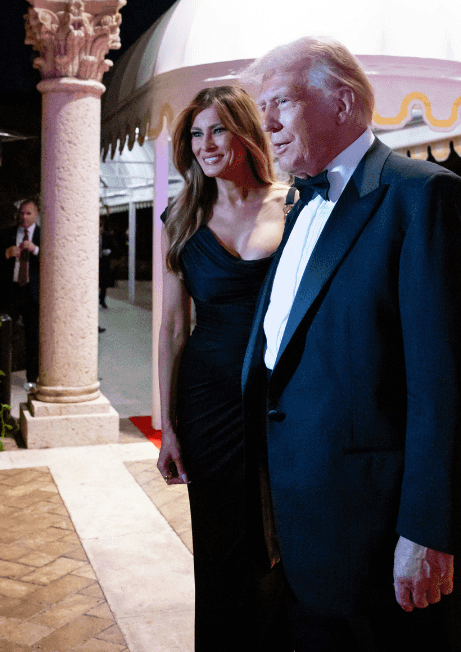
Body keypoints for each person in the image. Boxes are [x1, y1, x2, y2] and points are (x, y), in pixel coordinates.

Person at [239, 37, 461, 650]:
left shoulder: (424, 196)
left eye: (280, 103)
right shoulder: (300, 205)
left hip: (385, 539)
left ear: (342, 101)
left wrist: (429, 532)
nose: (266, 124)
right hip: (304, 529)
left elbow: (447, 385)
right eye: (261, 108)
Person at [152, 85, 289, 650]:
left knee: (281, 537)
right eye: (195, 133)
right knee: (219, 545)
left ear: (245, 133)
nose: (205, 144)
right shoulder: (181, 215)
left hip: (280, 396)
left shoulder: (296, 203)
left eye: (217, 130)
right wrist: (168, 428)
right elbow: (171, 330)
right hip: (207, 401)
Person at [0, 198, 42, 375]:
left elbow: (52, 261)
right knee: (4, 336)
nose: (24, 217)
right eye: (22, 212)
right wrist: (6, 253)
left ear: (36, 215)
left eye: (29, 213)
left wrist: (35, 249)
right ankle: (2, 378)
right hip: (10, 291)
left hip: (32, 292)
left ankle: (31, 379)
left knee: (33, 337)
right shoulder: (8, 234)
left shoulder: (43, 235)